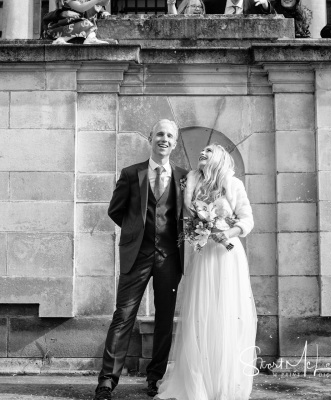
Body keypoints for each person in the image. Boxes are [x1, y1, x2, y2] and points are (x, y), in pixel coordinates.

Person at [93, 119, 188, 400]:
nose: (164, 139)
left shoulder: (184, 177)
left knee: (164, 319)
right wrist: (136, 230)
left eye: (170, 135)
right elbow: (115, 210)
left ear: (175, 141)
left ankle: (155, 379)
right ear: (150, 137)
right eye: (160, 134)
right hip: (137, 255)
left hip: (169, 257)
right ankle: (106, 382)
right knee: (122, 316)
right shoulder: (131, 173)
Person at [157, 144, 257, 400]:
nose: (203, 152)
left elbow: (247, 220)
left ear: (221, 158)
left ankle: (225, 384)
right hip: (203, 256)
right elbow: (187, 217)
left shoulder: (233, 185)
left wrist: (227, 233)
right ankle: (198, 384)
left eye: (209, 150)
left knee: (226, 314)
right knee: (202, 316)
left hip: (227, 256)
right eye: (202, 150)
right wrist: (200, 226)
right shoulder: (193, 186)